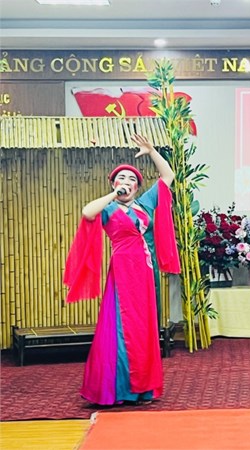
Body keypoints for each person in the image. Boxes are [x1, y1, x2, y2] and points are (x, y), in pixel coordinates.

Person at [63, 134, 180, 405]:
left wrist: (152, 151)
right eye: (121, 179)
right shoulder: (109, 209)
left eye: (131, 180)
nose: (126, 182)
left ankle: (143, 388)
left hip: (145, 272)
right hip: (122, 272)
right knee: (119, 326)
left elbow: (168, 176)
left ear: (138, 187)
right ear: (114, 184)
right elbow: (87, 212)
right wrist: (113, 196)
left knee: (143, 328)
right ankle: (118, 389)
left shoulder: (145, 204)